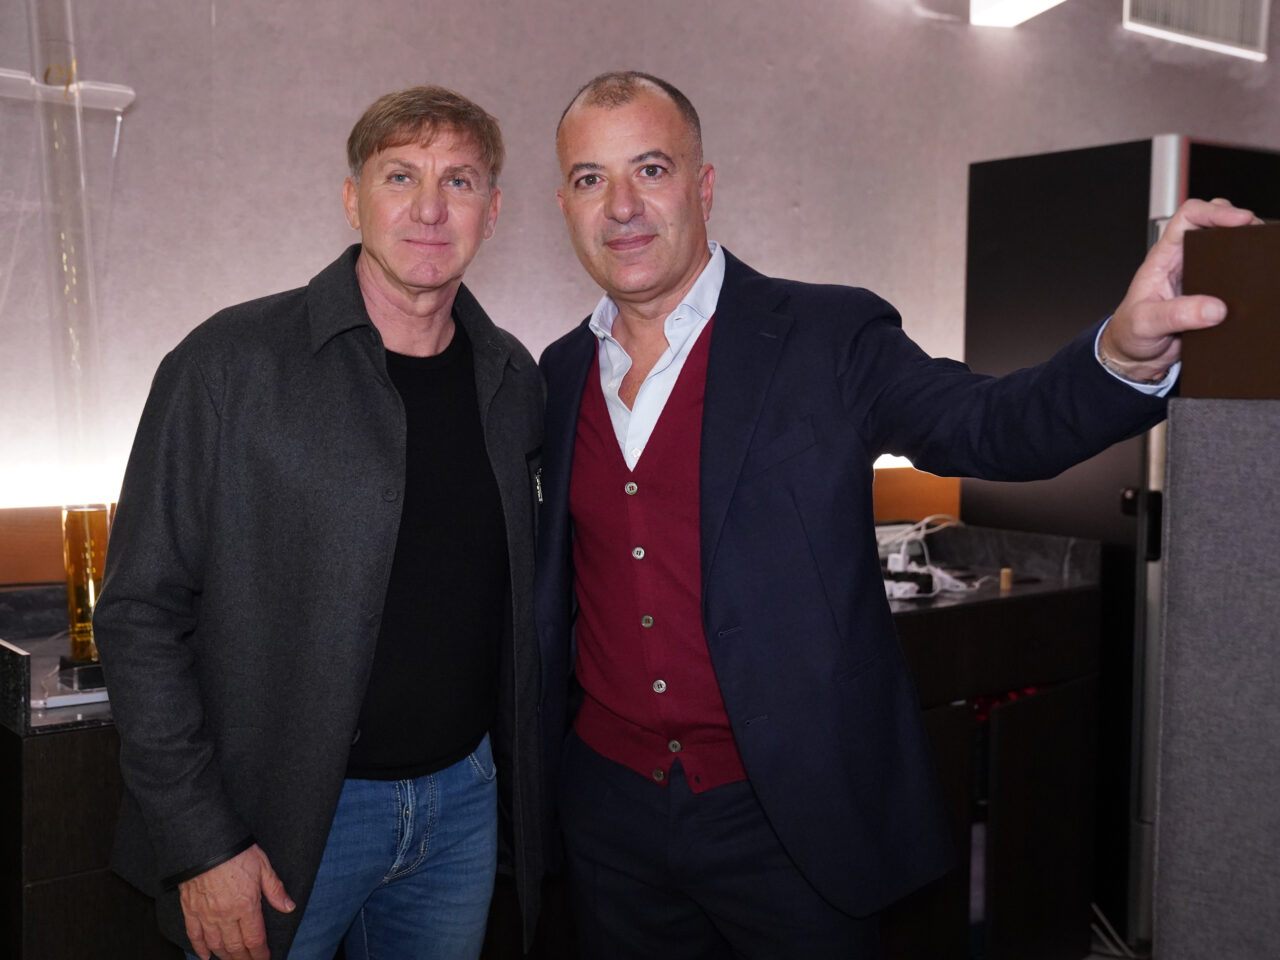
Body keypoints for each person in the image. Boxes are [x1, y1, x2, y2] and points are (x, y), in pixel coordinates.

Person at [534, 70, 1259, 959]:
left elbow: (990, 424)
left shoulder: (826, 335)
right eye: (590, 178)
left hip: (792, 819)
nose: (621, 207)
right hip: (610, 818)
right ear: (564, 204)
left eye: (650, 169)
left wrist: (1121, 354)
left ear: (703, 184)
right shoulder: (554, 375)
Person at [95, 85, 546, 960]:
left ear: (492, 212)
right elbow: (139, 613)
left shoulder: (513, 380)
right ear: (352, 199)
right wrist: (201, 842)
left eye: (458, 181)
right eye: (400, 176)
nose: (429, 208)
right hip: (272, 826)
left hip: (461, 809)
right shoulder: (228, 365)